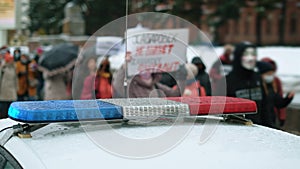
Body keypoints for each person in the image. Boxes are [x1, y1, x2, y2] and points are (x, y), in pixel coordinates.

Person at [217, 42, 264, 124]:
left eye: (253, 54)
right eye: (246, 55)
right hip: (237, 129)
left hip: (259, 129)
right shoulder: (227, 81)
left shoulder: (257, 78)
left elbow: (266, 106)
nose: (250, 59)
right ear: (238, 57)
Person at [112, 52, 187, 98]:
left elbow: (176, 94)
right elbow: (118, 84)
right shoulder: (131, 86)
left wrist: (181, 78)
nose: (145, 71)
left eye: (147, 67)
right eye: (142, 67)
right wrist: (125, 66)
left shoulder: (157, 86)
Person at [257, 61, 294, 128]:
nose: (270, 76)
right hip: (260, 123)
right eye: (268, 74)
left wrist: (288, 98)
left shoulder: (271, 88)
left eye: (271, 74)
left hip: (271, 123)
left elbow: (279, 103)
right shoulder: (257, 89)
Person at [260, 57, 287, 127]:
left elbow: (279, 98)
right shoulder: (256, 82)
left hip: (272, 115)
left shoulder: (276, 81)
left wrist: (282, 116)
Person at [0, 54, 18, 118]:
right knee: (4, 111)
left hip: (12, 91)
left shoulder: (14, 68)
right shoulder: (3, 68)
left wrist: (16, 88)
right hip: (3, 93)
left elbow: (15, 79)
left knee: (11, 110)